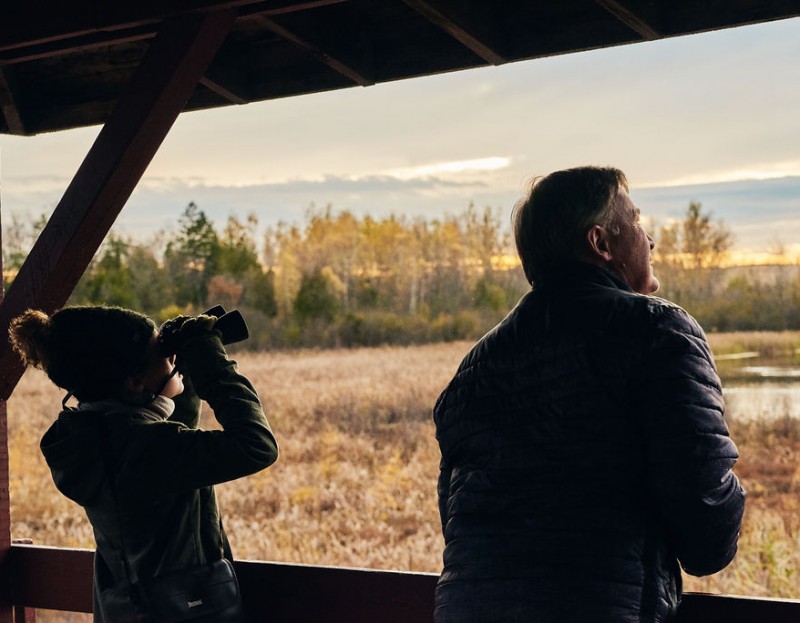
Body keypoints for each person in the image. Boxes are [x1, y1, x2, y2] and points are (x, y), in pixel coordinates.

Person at [433, 166, 745, 622]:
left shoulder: (471, 373)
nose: (651, 241)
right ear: (600, 243)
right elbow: (706, 532)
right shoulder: (658, 332)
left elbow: (459, 523)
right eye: (636, 222)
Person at [9, 305, 279, 622]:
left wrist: (181, 368)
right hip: (186, 610)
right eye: (161, 353)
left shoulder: (93, 442)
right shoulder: (146, 449)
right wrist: (211, 364)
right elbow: (256, 445)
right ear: (135, 382)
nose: (171, 358)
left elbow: (169, 445)